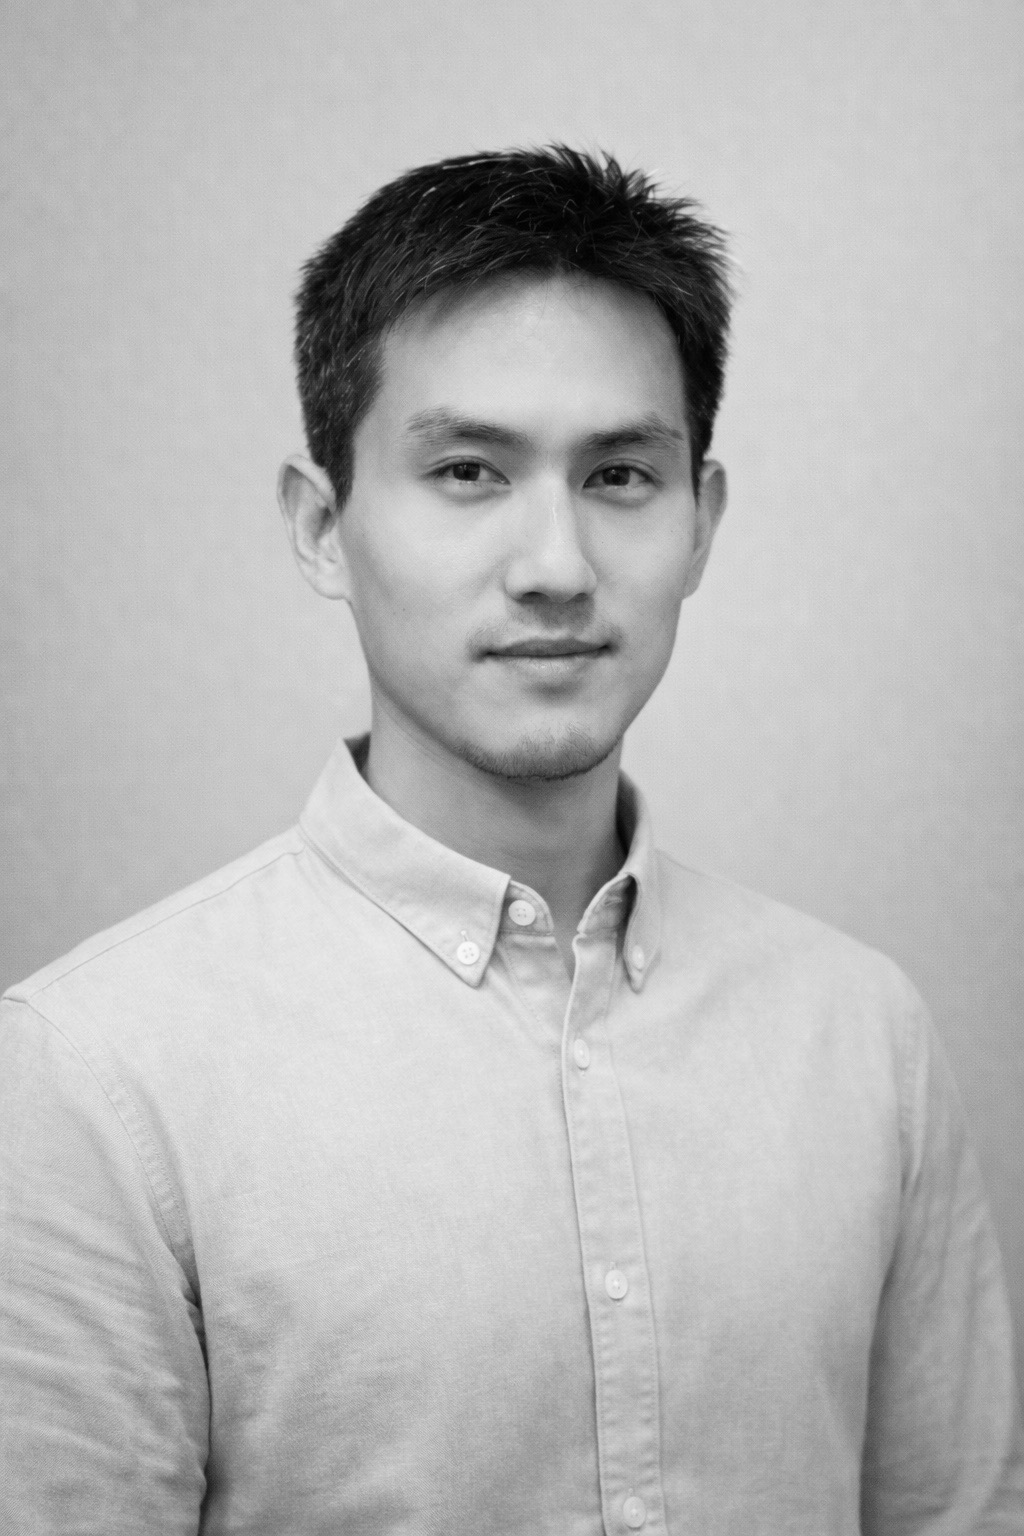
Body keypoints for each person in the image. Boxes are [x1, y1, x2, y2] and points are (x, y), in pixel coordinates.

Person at [1, 146, 1021, 1536]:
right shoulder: (94, 1079)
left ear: (701, 521)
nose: (556, 564)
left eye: (620, 475)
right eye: (470, 469)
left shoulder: (861, 1035)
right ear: (320, 524)